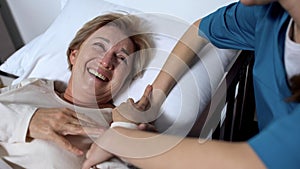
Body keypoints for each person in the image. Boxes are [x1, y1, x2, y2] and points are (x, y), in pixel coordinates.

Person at [82, 0, 300, 169]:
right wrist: (156, 98)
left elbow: (252, 161)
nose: (106, 61)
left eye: (121, 57)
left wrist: (122, 135)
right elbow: (200, 31)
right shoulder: (268, 15)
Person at [0, 13, 154, 169]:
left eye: (121, 58)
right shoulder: (33, 85)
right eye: (99, 46)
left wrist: (127, 131)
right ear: (74, 55)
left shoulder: (116, 126)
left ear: (127, 79)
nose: (106, 62)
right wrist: (27, 121)